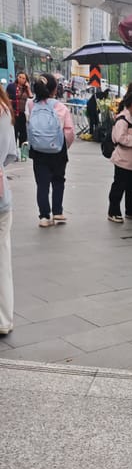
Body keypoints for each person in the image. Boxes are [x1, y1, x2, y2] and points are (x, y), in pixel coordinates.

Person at [27, 73, 75, 227]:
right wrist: (63, 145)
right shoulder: (60, 107)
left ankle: (44, 216)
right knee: (58, 181)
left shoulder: (31, 105)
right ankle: (57, 212)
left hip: (38, 150)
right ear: (55, 89)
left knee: (42, 184)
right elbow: (69, 131)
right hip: (58, 151)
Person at [107, 91, 132, 223]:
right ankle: (113, 211)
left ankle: (131, 209)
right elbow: (120, 138)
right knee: (119, 187)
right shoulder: (123, 120)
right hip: (123, 160)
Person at [0, 84, 18, 335]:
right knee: (2, 256)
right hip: (0, 196)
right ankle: (3, 320)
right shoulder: (4, 111)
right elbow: (11, 154)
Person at [6, 71, 32, 147]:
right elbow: (6, 97)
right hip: (13, 113)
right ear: (17, 77)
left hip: (23, 114)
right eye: (20, 77)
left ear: (26, 80)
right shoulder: (11, 86)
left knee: (23, 134)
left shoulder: (26, 89)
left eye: (23, 78)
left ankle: (22, 152)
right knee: (13, 133)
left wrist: (28, 88)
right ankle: (14, 152)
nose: (21, 79)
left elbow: (31, 98)